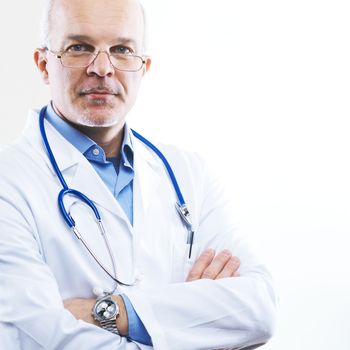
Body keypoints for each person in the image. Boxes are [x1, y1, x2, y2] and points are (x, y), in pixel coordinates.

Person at [0, 0, 277, 349]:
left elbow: (259, 308)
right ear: (43, 64)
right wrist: (196, 324)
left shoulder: (188, 174)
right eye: (79, 47)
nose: (102, 68)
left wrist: (111, 312)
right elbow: (41, 338)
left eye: (122, 49)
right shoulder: (8, 181)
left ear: (143, 67)